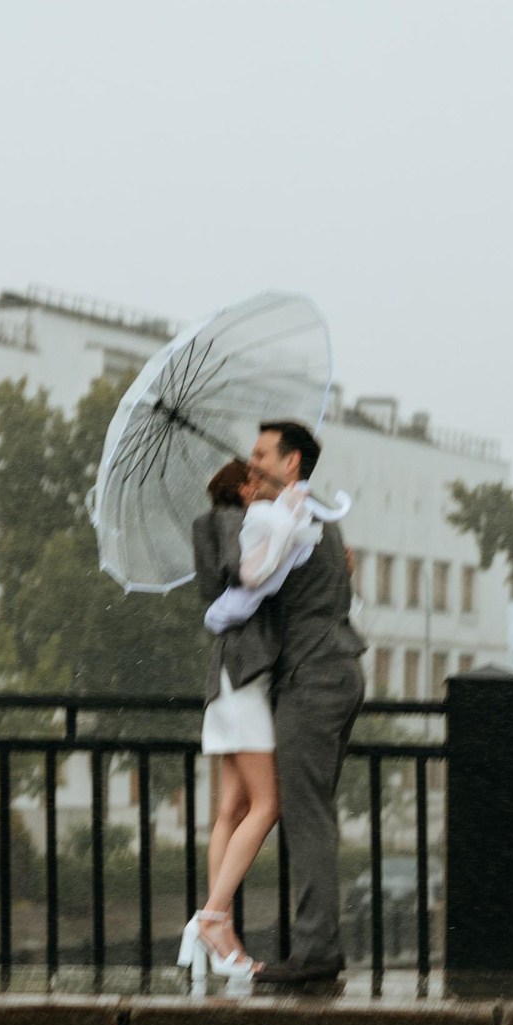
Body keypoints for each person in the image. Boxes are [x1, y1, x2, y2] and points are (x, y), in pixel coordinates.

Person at [245, 419, 366, 987]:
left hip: (311, 677)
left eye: (262, 453)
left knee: (308, 815)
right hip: (339, 669)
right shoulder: (318, 515)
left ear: (291, 462)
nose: (252, 461)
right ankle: (319, 945)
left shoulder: (291, 519)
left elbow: (250, 586)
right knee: (315, 812)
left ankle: (317, 951)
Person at [179, 459, 279, 984]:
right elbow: (251, 580)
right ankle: (214, 919)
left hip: (223, 679)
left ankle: (219, 933)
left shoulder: (210, 529)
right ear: (244, 487)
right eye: (258, 480)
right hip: (244, 682)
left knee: (231, 809)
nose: (266, 486)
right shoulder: (238, 526)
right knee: (268, 803)